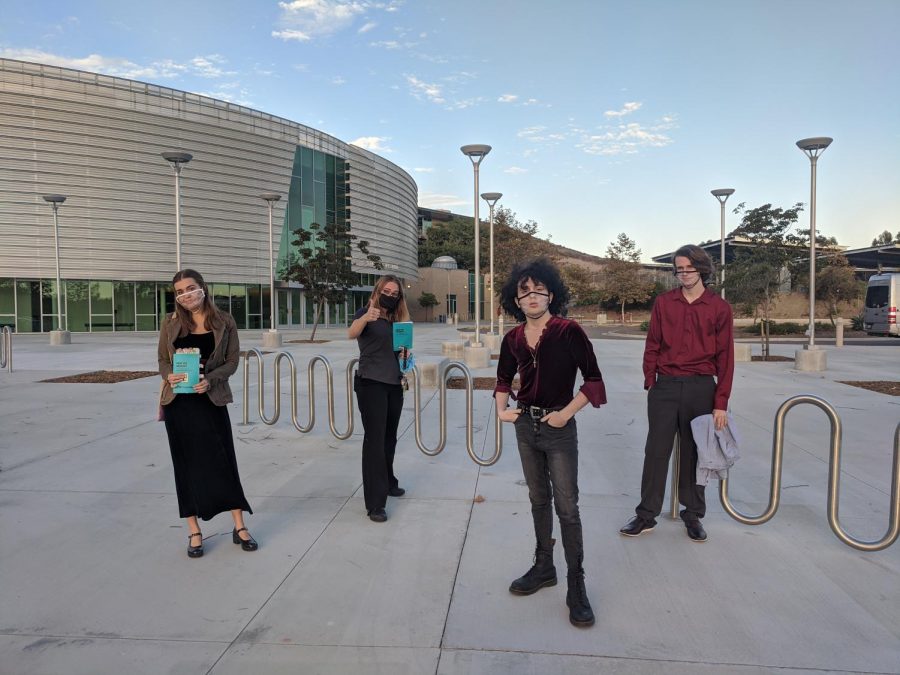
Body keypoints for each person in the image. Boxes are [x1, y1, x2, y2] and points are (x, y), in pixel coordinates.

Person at [494, 258, 607, 628]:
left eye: (538, 289)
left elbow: (593, 381)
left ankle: (577, 586)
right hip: (525, 426)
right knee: (537, 499)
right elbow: (502, 379)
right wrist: (502, 410)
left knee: (567, 506)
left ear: (551, 295)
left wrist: (566, 413)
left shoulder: (568, 331)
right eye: (523, 290)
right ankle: (544, 567)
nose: (531, 296)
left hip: (559, 427)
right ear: (516, 298)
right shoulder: (512, 338)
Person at [619, 245, 734, 542]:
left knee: (696, 454)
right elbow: (653, 344)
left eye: (688, 269)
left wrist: (720, 402)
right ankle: (646, 515)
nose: (683, 275)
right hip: (666, 385)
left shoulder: (719, 308)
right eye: (679, 270)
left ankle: (693, 515)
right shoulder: (664, 303)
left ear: (702, 270)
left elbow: (726, 359)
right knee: (656, 452)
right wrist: (651, 382)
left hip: (701, 387)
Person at [158, 269, 257, 558]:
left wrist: (210, 379)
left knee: (223, 461)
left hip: (210, 400)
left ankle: (239, 526)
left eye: (190, 288)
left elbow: (231, 362)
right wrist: (169, 376)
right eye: (179, 291)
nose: (186, 294)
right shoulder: (170, 322)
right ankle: (194, 530)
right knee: (186, 465)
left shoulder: (224, 321)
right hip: (179, 404)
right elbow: (163, 360)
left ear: (202, 287)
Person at [348, 274, 410, 523]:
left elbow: (399, 353)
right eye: (387, 291)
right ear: (378, 290)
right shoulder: (366, 312)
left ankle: (388, 481)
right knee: (374, 441)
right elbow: (351, 334)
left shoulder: (397, 319)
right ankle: (375, 503)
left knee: (389, 437)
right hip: (371, 383)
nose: (391, 296)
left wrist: (406, 352)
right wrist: (365, 318)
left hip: (394, 383)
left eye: (395, 294)